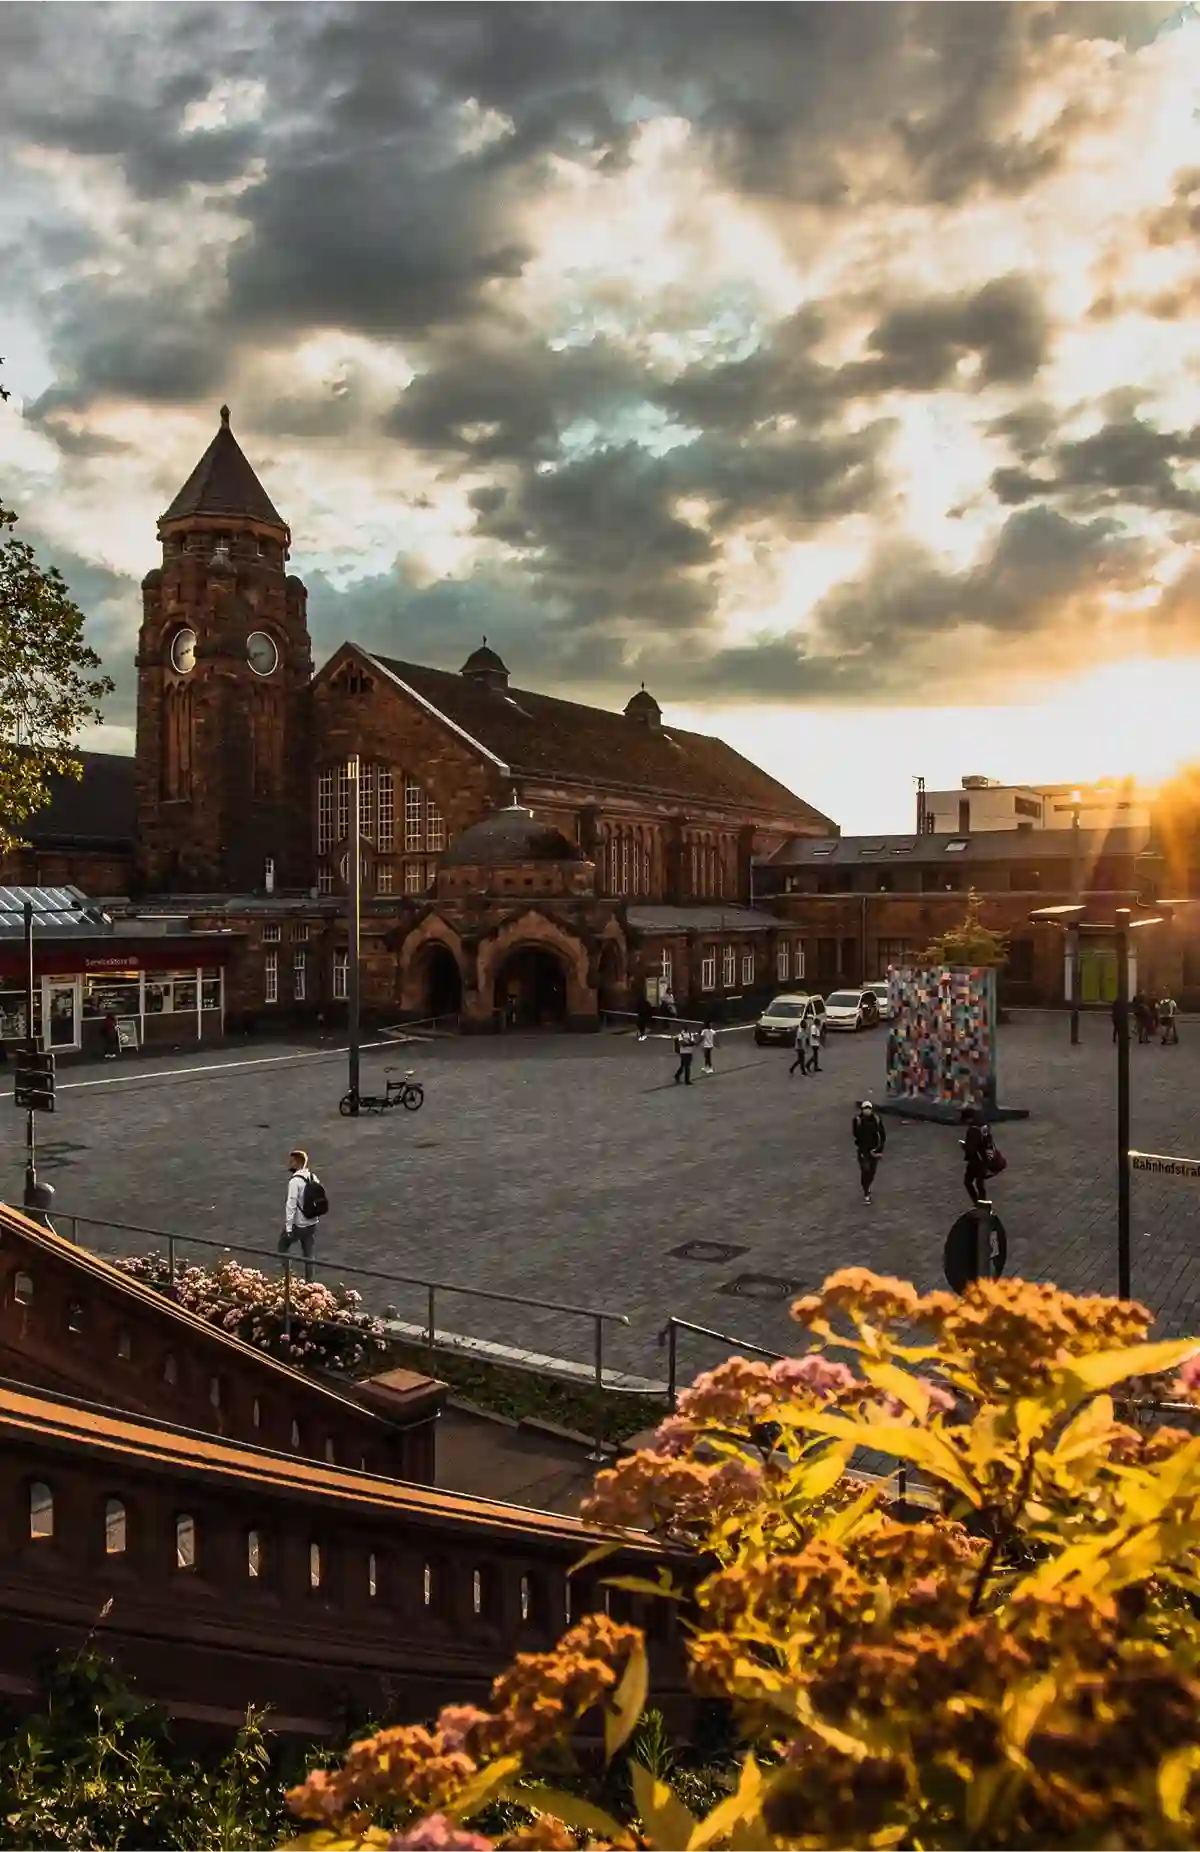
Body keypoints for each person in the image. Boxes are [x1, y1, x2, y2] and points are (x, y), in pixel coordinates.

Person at [278, 1147, 321, 1282]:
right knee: (308, 1255)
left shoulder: (294, 1181)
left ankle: (288, 1278)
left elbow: (290, 1205)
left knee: (282, 1246)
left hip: (299, 1225)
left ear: (297, 1163)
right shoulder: (314, 1178)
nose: (289, 1164)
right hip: (312, 1223)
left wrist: (289, 1228)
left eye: (291, 1161)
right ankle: (310, 1283)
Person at [852, 1100, 886, 1202]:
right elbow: (856, 1134)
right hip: (863, 1150)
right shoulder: (857, 1120)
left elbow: (882, 1135)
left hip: (874, 1150)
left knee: (872, 1172)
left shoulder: (876, 1120)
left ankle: (867, 1186)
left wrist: (879, 1149)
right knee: (865, 1170)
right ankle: (866, 1191)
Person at [961, 1108, 994, 1206]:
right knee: (980, 1183)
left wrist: (964, 1146)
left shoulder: (973, 1130)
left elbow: (971, 1148)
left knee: (968, 1181)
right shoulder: (983, 1125)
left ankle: (978, 1203)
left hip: (976, 1159)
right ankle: (981, 1202)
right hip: (985, 1157)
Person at [804, 1010, 823, 1074]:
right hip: (814, 1043)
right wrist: (818, 1038)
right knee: (815, 1056)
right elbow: (813, 1035)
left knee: (816, 1055)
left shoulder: (816, 1027)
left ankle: (815, 1066)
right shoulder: (813, 1027)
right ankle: (808, 1064)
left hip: (816, 1043)